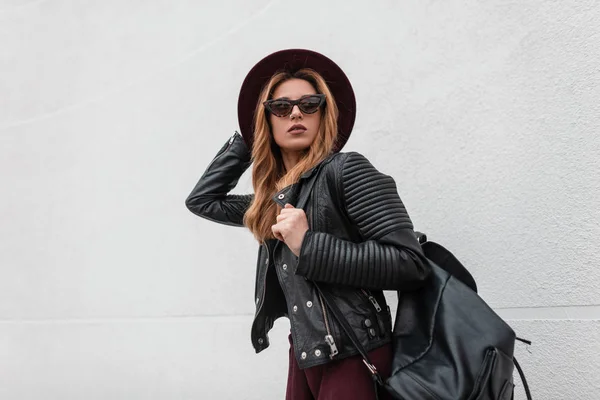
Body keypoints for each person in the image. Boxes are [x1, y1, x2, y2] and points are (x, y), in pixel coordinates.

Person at [185, 49, 431, 400]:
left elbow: (410, 263)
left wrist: (309, 244)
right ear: (267, 120)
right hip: (304, 353)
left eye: (309, 104)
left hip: (354, 353)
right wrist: (247, 136)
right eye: (281, 108)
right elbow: (202, 200)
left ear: (322, 115)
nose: (296, 112)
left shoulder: (346, 171)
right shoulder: (275, 201)